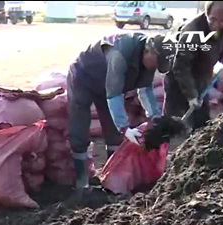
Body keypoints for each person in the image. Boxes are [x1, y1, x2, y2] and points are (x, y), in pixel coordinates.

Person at [67, 33, 172, 192]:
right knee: (80, 128)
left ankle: (111, 180)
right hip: (83, 78)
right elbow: (114, 93)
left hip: (107, 86)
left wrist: (156, 118)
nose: (155, 69)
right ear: (148, 52)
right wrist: (124, 127)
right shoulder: (120, 53)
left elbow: (145, 90)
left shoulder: (148, 60)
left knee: (113, 133)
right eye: (156, 64)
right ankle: (82, 184)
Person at [163, 1, 223, 131]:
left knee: (201, 122)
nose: (216, 25)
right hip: (179, 79)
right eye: (212, 19)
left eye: (222, 21)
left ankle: (197, 149)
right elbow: (180, 66)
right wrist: (191, 95)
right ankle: (169, 149)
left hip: (202, 78)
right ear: (207, 13)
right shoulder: (192, 30)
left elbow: (220, 42)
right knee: (176, 125)